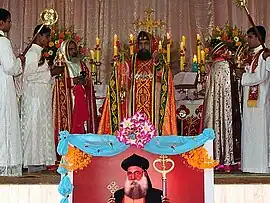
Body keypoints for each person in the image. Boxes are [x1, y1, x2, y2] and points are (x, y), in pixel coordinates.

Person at [98, 31, 177, 135]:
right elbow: (122, 75)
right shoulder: (132, 63)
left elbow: (165, 79)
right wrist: (118, 64)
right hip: (134, 108)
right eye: (141, 44)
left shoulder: (157, 63)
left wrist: (159, 63)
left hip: (154, 109)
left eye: (146, 44)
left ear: (152, 44)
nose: (143, 47)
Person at [20, 24, 63, 172]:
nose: (48, 39)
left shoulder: (40, 54)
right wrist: (50, 74)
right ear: (38, 36)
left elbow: (41, 75)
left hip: (41, 96)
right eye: (47, 36)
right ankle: (29, 160)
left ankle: (39, 159)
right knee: (33, 127)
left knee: (40, 127)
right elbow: (28, 76)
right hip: (34, 96)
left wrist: (52, 74)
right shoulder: (32, 53)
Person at [203, 41, 241, 172]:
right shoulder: (224, 65)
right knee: (225, 124)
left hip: (218, 107)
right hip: (227, 107)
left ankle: (217, 157)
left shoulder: (215, 66)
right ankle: (227, 158)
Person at [53, 39, 98, 139]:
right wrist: (73, 81)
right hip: (69, 102)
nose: (73, 52)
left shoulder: (82, 64)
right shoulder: (61, 65)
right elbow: (57, 84)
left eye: (74, 49)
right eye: (70, 49)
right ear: (64, 51)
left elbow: (88, 80)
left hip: (82, 99)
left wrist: (84, 81)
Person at [240, 25, 270, 173]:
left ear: (259, 38)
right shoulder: (255, 55)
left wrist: (243, 77)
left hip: (260, 101)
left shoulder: (264, 55)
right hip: (251, 101)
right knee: (250, 131)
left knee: (258, 131)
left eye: (250, 37)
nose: (248, 40)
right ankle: (250, 164)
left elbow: (261, 76)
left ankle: (259, 166)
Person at [0, 8, 25, 176]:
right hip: (3, 84)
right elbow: (10, 68)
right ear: (1, 22)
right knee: (6, 120)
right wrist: (19, 61)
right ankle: (5, 162)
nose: (10, 24)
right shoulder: (3, 41)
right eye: (9, 21)